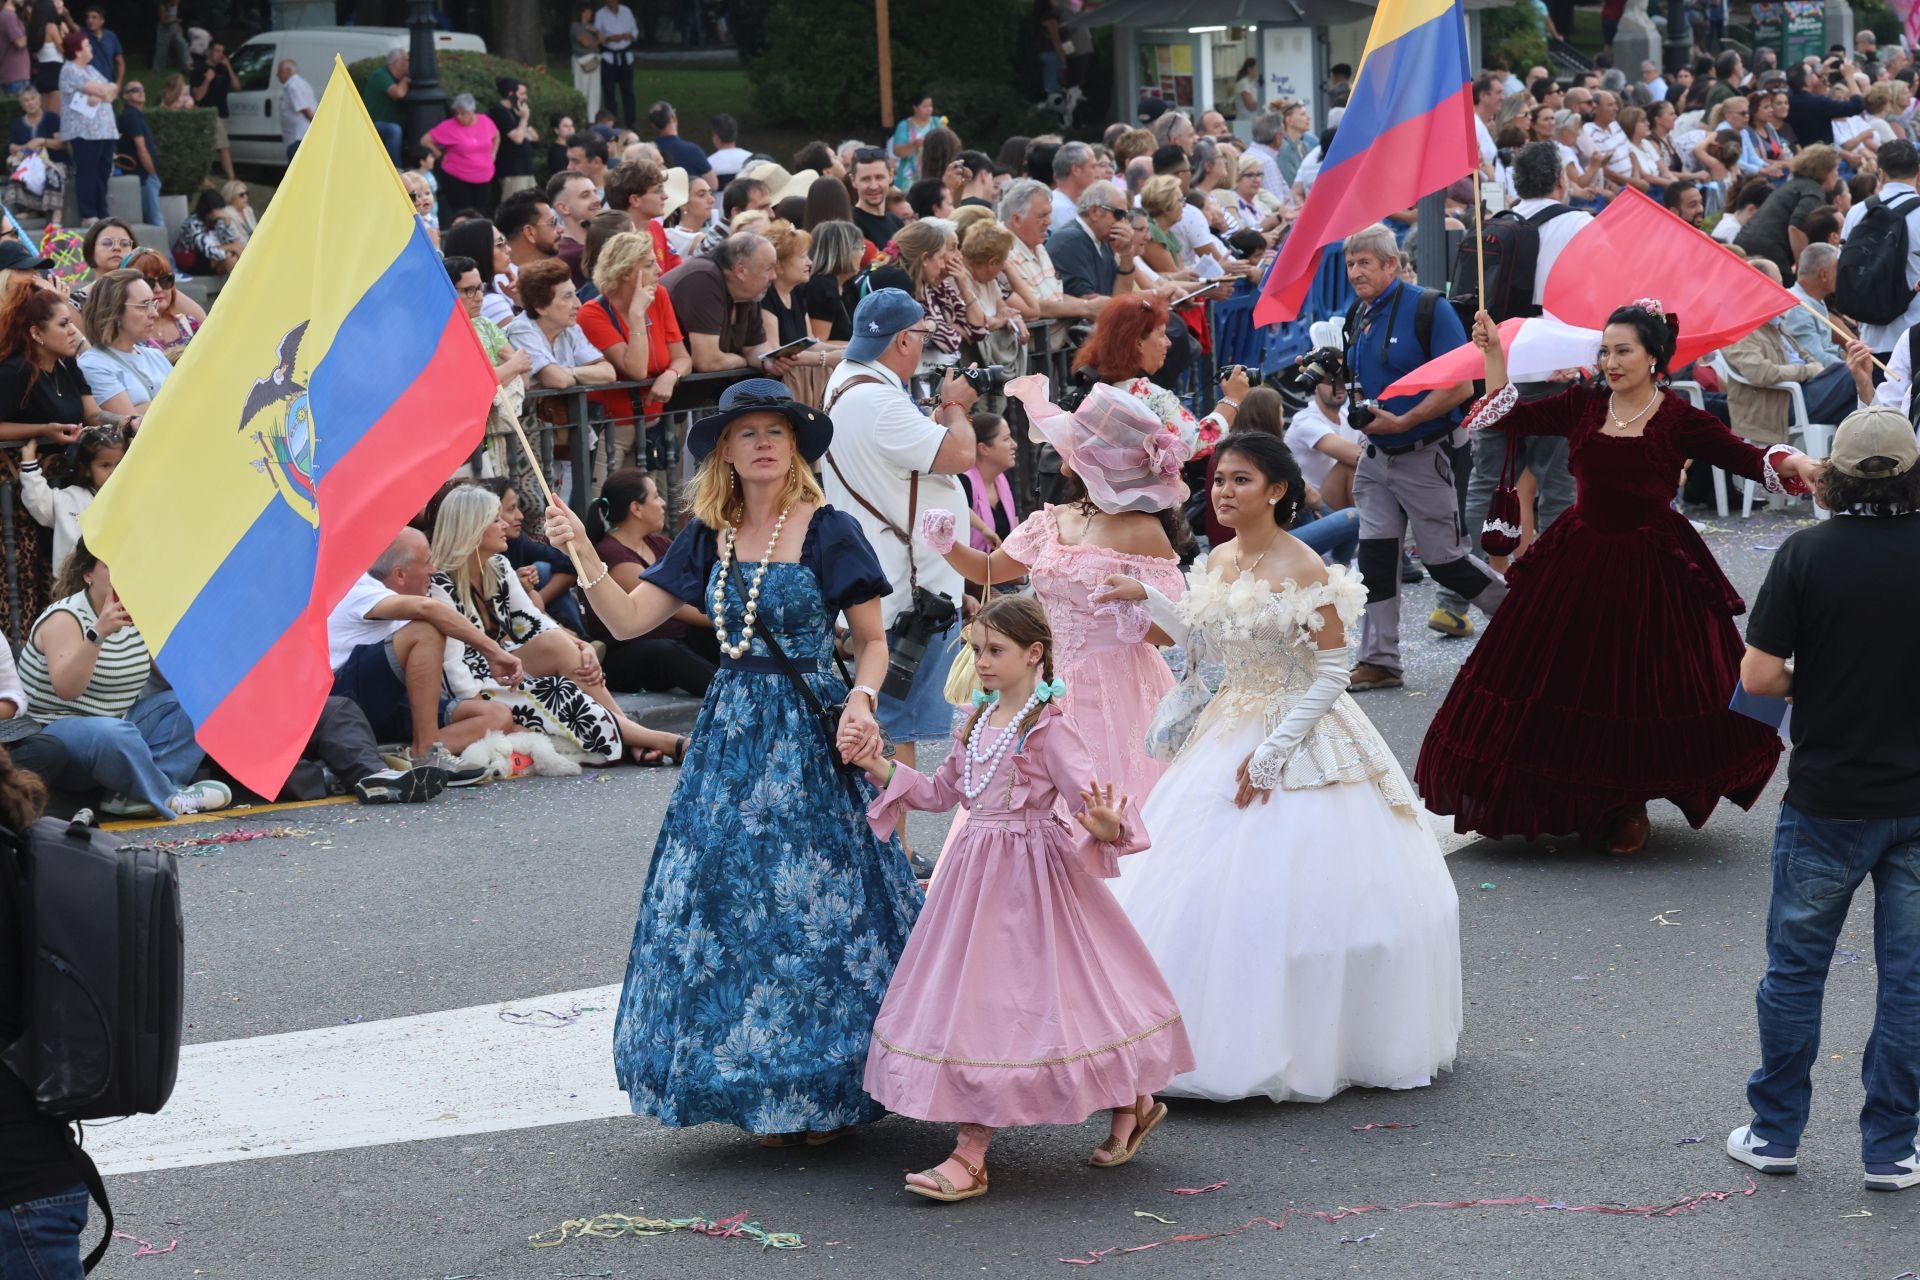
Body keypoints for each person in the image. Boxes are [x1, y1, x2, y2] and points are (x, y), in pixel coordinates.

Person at [549, 378, 923, 1143]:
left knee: (821, 907)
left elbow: (875, 642)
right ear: (725, 449)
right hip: (732, 738)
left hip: (810, 738)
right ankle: (763, 1083)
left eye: (775, 432)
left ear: (794, 449)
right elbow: (624, 621)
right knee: (732, 906)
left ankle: (832, 1083)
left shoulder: (829, 530)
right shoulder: (703, 535)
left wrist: (862, 699)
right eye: (746, 432)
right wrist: (581, 548)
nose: (762, 443)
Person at [1097, 431, 1460, 1102]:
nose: (1224, 492)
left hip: (1300, 732)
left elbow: (1332, 670)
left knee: (1294, 899)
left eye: (1239, 480)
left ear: (1278, 490)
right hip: (1226, 725)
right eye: (1218, 481)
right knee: (1194, 893)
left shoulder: (1303, 568)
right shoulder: (1220, 557)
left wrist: (1273, 752)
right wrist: (1146, 601)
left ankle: (1297, 1042)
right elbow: (1204, 639)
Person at [1416, 303, 1825, 854]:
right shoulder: (1582, 406)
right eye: (1604, 351)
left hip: (1653, 569)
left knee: (1639, 688)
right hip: (1577, 559)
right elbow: (1502, 416)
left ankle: (1627, 803)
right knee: (1561, 680)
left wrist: (1796, 463)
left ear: (1654, 357)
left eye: (1623, 350)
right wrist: (1494, 355)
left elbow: (1746, 457)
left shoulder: (1679, 419)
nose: (1610, 361)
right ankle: (1573, 797)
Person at [851, 594, 1192, 1201]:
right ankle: (1131, 1102)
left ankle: (971, 1154)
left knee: (1023, 1003)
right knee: (997, 1002)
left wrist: (1108, 825)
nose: (981, 662)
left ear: (1035, 654)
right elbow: (939, 792)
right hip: (971, 879)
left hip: (1031, 881)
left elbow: (1093, 801)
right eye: (976, 650)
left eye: (995, 651)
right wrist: (877, 763)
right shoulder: (977, 721)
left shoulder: (1049, 728)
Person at [1728, 405, 1920, 1190]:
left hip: (1827, 797)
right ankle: (1892, 1148)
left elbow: (1759, 680)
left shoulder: (1807, 554)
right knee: (1909, 979)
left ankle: (1775, 1132)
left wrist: (1826, 681)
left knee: (1797, 970)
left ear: (1832, 473)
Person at [924, 377, 1192, 822]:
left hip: (1117, 687)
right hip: (1041, 678)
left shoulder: (1145, 531)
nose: (1063, 454)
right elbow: (990, 570)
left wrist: (1135, 610)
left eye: (1075, 445)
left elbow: (1174, 629)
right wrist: (948, 544)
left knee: (1103, 802)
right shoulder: (1053, 520)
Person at [820, 290, 975, 873]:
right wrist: (955, 407)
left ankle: (889, 845)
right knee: (895, 725)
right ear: (904, 340)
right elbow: (959, 454)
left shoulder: (849, 380)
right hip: (904, 593)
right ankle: (895, 849)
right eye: (922, 338)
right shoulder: (879, 403)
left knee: (884, 717)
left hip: (889, 581)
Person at [1336, 225, 1503, 690]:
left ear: (1392, 264)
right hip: (1377, 456)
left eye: (1364, 262)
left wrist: (1405, 422)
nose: (1355, 272)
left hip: (1428, 453)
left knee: (1445, 560)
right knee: (1375, 555)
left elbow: (1460, 385)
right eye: (1350, 263)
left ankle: (1522, 620)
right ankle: (1379, 660)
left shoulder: (1429, 308)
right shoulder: (1360, 313)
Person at [1434, 142, 1587, 635]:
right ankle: (1560, 593)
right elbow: (1589, 297)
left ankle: (1454, 598)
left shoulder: (1495, 223)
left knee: (1486, 483)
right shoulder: (1578, 224)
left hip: (1497, 368)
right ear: (1560, 179)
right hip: (1555, 370)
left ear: (1517, 181)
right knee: (1560, 485)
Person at [429, 485, 678, 765]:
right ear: (472, 528)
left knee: (566, 656)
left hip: (506, 669)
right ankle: (657, 741)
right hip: (470, 691)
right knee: (560, 693)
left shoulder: (498, 566)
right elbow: (453, 669)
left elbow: (533, 624)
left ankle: (635, 738)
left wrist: (580, 646)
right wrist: (482, 700)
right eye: (495, 519)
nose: (505, 524)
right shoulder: (439, 584)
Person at [20, 540, 231, 818]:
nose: (121, 572)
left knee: (197, 701)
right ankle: (169, 798)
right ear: (88, 575)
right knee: (114, 733)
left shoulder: (137, 611)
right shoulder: (65, 617)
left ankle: (133, 796)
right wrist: (98, 634)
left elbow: (171, 678)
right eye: (110, 565)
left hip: (120, 725)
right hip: (57, 731)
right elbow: (67, 689)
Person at [327, 526, 519, 780]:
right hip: (343, 701)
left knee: (496, 714)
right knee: (426, 630)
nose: (434, 570)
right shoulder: (359, 588)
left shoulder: (409, 594)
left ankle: (400, 755)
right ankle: (427, 752)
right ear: (400, 574)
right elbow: (428, 609)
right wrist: (493, 652)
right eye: (427, 562)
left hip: (390, 704)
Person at [581, 467, 717, 694]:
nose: (663, 503)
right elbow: (677, 609)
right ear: (636, 508)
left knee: (709, 637)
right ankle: (729, 694)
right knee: (665, 651)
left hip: (677, 640)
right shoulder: (613, 554)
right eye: (655, 496)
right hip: (630, 655)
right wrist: (729, 615)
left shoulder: (658, 543)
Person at [577, 230, 689, 469]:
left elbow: (682, 358)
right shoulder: (592, 313)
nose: (659, 270)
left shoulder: (659, 295)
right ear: (626, 272)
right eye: (649, 265)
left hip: (653, 424)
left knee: (655, 502)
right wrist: (637, 315)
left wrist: (671, 375)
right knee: (604, 503)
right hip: (611, 430)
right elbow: (636, 370)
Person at [1723, 258, 1858, 439]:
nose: (1783, 290)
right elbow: (1760, 373)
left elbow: (1804, 355)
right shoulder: (1740, 329)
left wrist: (1812, 369)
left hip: (1802, 392)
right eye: (1778, 284)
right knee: (1851, 373)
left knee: (1856, 408)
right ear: (1759, 287)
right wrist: (1807, 371)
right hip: (1779, 405)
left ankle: (1858, 461)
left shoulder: (1774, 322)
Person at [658, 231, 791, 373]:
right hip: (666, 389)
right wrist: (742, 360)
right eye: (769, 269)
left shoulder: (748, 291)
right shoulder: (702, 278)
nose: (774, 276)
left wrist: (768, 362)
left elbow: (753, 347)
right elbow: (707, 361)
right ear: (741, 271)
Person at [1841, 141, 1920, 361]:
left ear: (1881, 173)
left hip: (1873, 339)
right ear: (1919, 171)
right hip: (1915, 334)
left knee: (1876, 396)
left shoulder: (1857, 212)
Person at [19, 421, 118, 575]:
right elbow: (39, 503)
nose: (114, 472)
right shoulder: (70, 498)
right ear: (86, 469)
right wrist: (30, 464)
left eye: (119, 465)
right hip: (72, 585)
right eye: (105, 465)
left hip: (116, 581)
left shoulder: (129, 497)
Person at [504, 258, 614, 394]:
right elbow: (556, 380)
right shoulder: (521, 330)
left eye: (575, 294)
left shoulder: (570, 327)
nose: (578, 304)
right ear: (541, 307)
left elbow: (608, 373)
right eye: (568, 296)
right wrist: (578, 376)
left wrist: (568, 372)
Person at [1734, 145, 1841, 278]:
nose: (1838, 175)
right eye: (1836, 169)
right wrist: (1803, 270)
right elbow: (1796, 227)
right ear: (1825, 171)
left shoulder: (1794, 185)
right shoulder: (1813, 191)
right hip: (1769, 254)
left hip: (1745, 244)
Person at [76, 267, 169, 419]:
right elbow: (132, 425)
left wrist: (145, 407)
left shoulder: (156, 355)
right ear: (114, 311)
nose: (154, 313)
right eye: (144, 305)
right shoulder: (93, 364)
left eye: (153, 304)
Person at [57, 29, 114, 222]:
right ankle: (89, 214)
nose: (91, 48)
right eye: (87, 45)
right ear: (78, 50)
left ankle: (102, 211)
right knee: (88, 170)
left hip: (104, 130)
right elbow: (101, 89)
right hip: (84, 132)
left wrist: (101, 94)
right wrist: (102, 92)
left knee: (103, 170)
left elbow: (112, 89)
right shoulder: (70, 69)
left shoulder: (90, 69)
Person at [423, 93, 498, 227]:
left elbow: (497, 135)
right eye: (457, 113)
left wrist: (493, 153)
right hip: (458, 176)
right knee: (463, 214)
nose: (459, 116)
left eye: (463, 113)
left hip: (484, 175)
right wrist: (439, 153)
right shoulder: (449, 126)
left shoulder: (485, 121)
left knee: (482, 212)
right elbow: (425, 140)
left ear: (472, 112)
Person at [123, 247, 204, 361]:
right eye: (148, 282)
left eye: (165, 280)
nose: (158, 288)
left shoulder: (190, 324)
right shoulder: (126, 334)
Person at [957, 410, 1015, 550]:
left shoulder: (1003, 481)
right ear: (983, 449)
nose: (1014, 444)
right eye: (1006, 439)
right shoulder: (963, 483)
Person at [190, 37, 237, 181]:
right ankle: (231, 177)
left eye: (222, 52)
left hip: (222, 113)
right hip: (209, 112)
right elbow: (197, 96)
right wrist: (207, 80)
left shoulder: (222, 69)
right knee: (223, 146)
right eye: (217, 50)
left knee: (209, 146)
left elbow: (237, 86)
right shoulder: (200, 69)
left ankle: (204, 175)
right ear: (210, 51)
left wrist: (229, 67)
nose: (220, 54)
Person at [114, 77, 160, 226]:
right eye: (134, 90)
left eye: (142, 89)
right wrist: (151, 173)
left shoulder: (137, 115)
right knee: (155, 220)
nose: (141, 92)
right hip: (143, 175)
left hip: (144, 174)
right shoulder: (131, 116)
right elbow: (141, 148)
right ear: (126, 96)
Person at [171, 187, 243, 276]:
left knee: (233, 255)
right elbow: (207, 250)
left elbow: (230, 241)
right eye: (218, 209)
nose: (221, 212)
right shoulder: (193, 223)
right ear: (210, 209)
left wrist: (227, 224)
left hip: (208, 259)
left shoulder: (216, 220)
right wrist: (230, 249)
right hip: (191, 260)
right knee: (231, 257)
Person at [489, 77, 538, 202]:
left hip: (526, 169)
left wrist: (523, 123)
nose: (525, 98)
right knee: (515, 207)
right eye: (522, 94)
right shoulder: (499, 112)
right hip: (512, 171)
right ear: (511, 94)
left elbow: (534, 136)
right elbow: (517, 138)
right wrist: (524, 119)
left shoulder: (517, 112)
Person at [849, 146, 904, 250]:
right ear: (853, 180)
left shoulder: (897, 222)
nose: (874, 186)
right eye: (866, 179)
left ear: (890, 176)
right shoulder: (851, 226)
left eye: (879, 177)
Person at [594, 0, 637, 128]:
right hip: (609, 57)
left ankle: (631, 122)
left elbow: (635, 31)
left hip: (625, 57)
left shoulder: (626, 11)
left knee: (628, 91)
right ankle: (612, 122)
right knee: (609, 92)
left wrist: (629, 35)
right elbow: (597, 35)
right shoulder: (600, 14)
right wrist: (609, 38)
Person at [362, 48, 408, 165]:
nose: (408, 64)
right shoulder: (381, 75)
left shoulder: (398, 80)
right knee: (394, 130)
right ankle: (396, 169)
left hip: (392, 122)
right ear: (395, 63)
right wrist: (406, 79)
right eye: (405, 61)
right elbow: (398, 94)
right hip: (372, 123)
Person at [890, 91, 938, 189]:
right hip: (908, 177)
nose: (929, 109)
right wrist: (913, 145)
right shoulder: (904, 126)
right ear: (915, 108)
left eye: (930, 106)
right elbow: (897, 151)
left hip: (933, 172)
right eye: (925, 107)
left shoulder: (937, 123)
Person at [276, 58, 314, 161]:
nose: (277, 75)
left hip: (297, 138)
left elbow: (305, 109)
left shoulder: (293, 87)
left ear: (289, 71)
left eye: (280, 71)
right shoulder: (303, 84)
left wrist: (317, 127)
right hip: (301, 137)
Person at [568, 7, 600, 124]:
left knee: (594, 90)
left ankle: (592, 117)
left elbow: (603, 38)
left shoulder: (591, 27)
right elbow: (586, 43)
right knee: (581, 89)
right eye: (587, 12)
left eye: (590, 13)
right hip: (581, 60)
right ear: (581, 13)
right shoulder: (576, 26)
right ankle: (580, 116)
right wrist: (596, 43)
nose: (589, 15)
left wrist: (596, 32)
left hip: (593, 61)